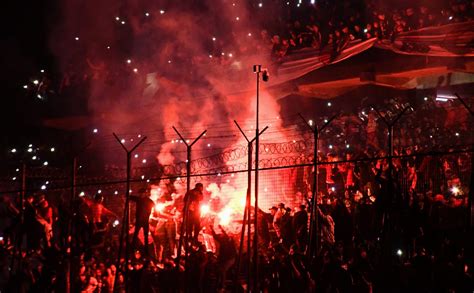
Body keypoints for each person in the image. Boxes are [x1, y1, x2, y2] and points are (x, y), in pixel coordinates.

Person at [130, 188, 155, 254]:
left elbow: (154, 206)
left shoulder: (147, 201)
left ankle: (145, 249)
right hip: (140, 219)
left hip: (144, 220)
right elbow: (132, 197)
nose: (141, 195)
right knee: (136, 233)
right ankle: (133, 247)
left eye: (142, 193)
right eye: (140, 193)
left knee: (145, 234)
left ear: (145, 193)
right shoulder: (140, 199)